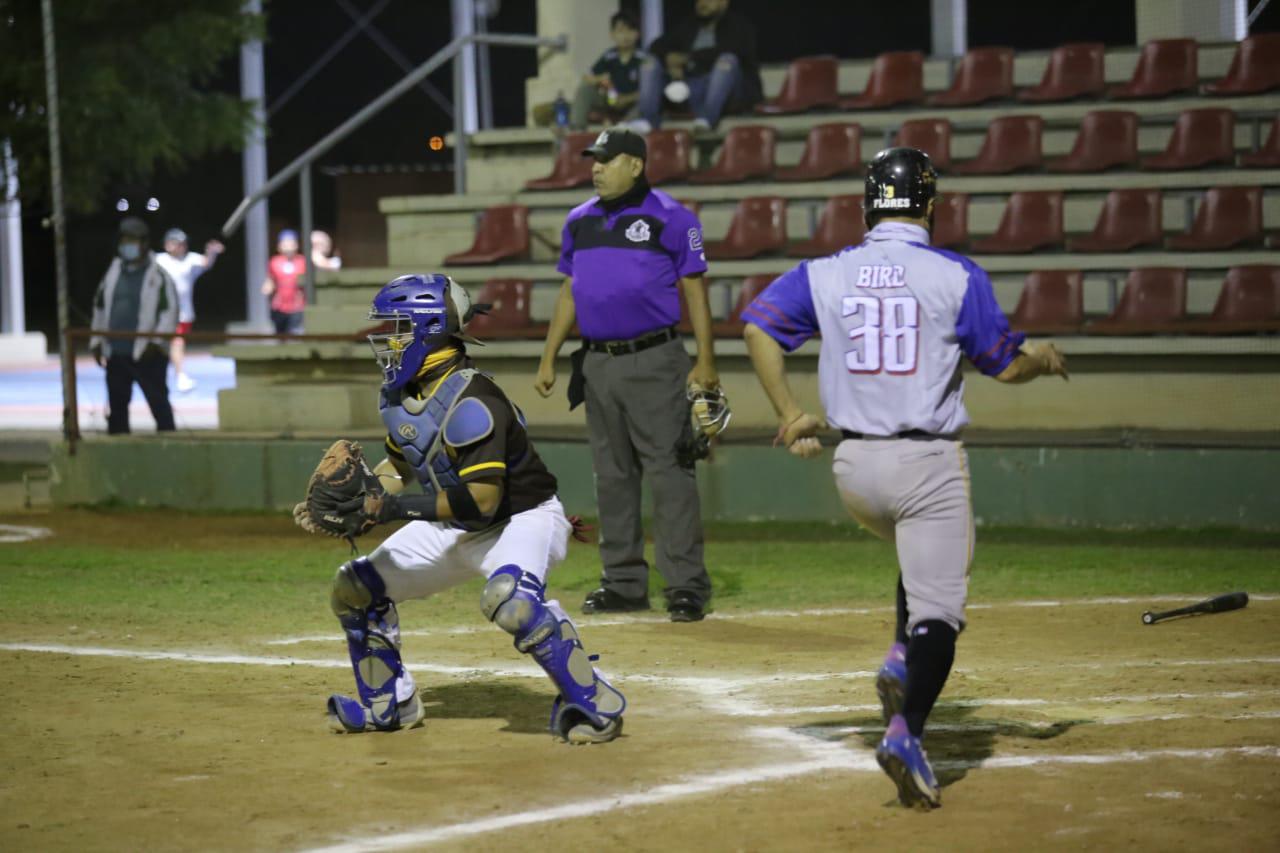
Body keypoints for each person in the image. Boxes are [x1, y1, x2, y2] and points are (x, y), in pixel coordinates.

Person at [741, 147, 1068, 809]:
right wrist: (1040, 357)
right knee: (940, 615)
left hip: (854, 470)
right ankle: (906, 731)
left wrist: (790, 411)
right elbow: (1003, 366)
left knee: (917, 557)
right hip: (925, 464)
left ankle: (897, 657)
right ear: (928, 204)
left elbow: (757, 325)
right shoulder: (954, 273)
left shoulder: (827, 271)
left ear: (869, 203)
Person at [297, 273, 626, 743]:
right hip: (454, 522)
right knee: (354, 588)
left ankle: (595, 704)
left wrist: (388, 509)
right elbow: (398, 463)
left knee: (509, 602)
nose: (387, 339)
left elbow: (484, 499)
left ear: (428, 330)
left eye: (397, 329)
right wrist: (364, 496)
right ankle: (388, 703)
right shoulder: (402, 394)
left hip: (521, 518)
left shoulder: (474, 400)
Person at [534, 127, 718, 623]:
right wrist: (550, 355)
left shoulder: (672, 217)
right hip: (597, 362)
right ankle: (622, 582)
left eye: (606, 159)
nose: (595, 167)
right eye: (593, 159)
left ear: (635, 164)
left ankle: (685, 585)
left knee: (670, 473)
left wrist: (706, 359)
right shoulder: (579, 221)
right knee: (612, 476)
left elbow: (696, 291)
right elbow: (570, 291)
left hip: (655, 359)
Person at [89, 216, 180, 434]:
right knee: (117, 409)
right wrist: (97, 341)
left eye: (133, 240)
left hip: (148, 355)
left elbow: (169, 313)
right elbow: (100, 308)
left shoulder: (159, 277)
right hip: (117, 354)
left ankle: (170, 446)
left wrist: (156, 343)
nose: (128, 245)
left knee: (159, 405)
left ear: (144, 243)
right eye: (124, 240)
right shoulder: (112, 274)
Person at [630, 0, 763, 133]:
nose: (702, 3)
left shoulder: (739, 25)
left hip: (728, 92)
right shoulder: (689, 26)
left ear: (724, 3)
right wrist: (669, 59)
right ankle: (648, 120)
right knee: (650, 61)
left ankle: (707, 118)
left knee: (727, 60)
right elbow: (656, 46)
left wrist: (687, 59)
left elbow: (733, 49)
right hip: (689, 89)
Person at [155, 227, 224, 393]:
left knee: (177, 343)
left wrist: (212, 252)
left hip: (184, 313)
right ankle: (176, 376)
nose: (180, 246)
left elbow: (206, 263)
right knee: (168, 345)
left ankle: (179, 376)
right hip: (161, 313)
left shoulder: (190, 259)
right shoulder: (158, 260)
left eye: (182, 243)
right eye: (176, 243)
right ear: (166, 244)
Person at [570, 11, 645, 130]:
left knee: (644, 105)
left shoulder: (643, 58)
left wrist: (626, 99)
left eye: (630, 30)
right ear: (612, 34)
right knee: (585, 89)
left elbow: (649, 92)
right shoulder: (609, 56)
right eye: (620, 31)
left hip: (632, 103)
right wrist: (600, 79)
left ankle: (624, 128)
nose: (625, 35)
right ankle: (576, 129)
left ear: (637, 34)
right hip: (611, 100)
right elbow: (587, 77)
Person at [261, 228, 306, 335]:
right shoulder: (274, 262)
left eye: (291, 243)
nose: (288, 246)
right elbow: (270, 279)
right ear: (279, 246)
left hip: (297, 306)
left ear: (296, 245)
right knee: (279, 333)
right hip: (279, 306)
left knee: (294, 333)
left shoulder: (303, 261)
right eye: (285, 243)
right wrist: (267, 287)